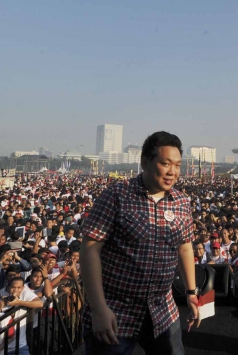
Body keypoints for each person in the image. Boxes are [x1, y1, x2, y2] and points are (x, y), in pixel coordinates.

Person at [80, 131, 200, 355]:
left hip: (163, 309)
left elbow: (184, 246)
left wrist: (191, 292)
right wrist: (98, 309)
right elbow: (89, 250)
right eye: (165, 163)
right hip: (116, 309)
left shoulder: (182, 201)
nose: (172, 172)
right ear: (145, 162)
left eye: (177, 165)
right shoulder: (117, 195)